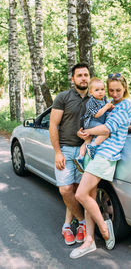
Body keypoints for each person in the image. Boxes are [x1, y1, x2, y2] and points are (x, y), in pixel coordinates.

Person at [70, 73, 131, 259]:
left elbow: (107, 128)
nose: (115, 93)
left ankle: (103, 227)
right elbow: (113, 123)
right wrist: (129, 127)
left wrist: (85, 132)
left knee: (80, 194)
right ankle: (89, 241)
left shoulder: (125, 104)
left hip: (105, 154)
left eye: (118, 90)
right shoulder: (110, 103)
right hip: (95, 151)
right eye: (111, 90)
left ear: (125, 89)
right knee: (90, 197)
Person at [49, 63, 90, 246]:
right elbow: (53, 125)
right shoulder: (63, 97)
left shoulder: (96, 97)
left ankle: (68, 226)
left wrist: (130, 126)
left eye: (86, 75)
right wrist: (57, 152)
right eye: (79, 75)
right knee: (65, 190)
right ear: (72, 79)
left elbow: (110, 120)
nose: (83, 78)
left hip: (86, 152)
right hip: (65, 149)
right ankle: (82, 221)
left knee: (78, 190)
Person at [74, 77, 114, 172]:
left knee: (88, 139)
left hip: (97, 122)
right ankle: (93, 146)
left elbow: (104, 110)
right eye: (97, 90)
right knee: (106, 132)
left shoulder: (104, 98)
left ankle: (80, 157)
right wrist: (106, 107)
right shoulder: (91, 102)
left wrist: (109, 108)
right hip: (91, 122)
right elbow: (97, 114)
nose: (100, 92)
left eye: (102, 89)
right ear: (91, 92)